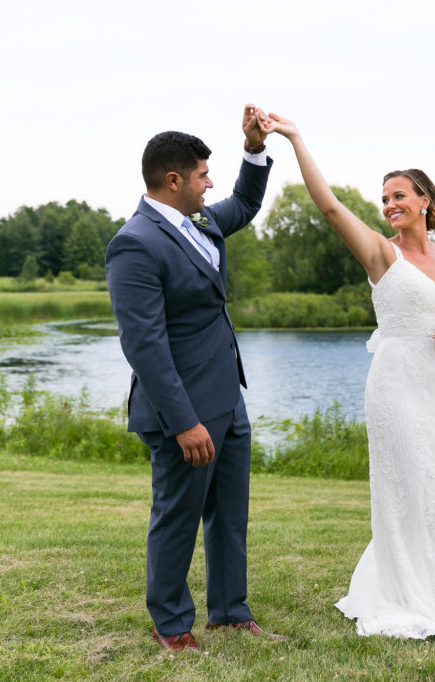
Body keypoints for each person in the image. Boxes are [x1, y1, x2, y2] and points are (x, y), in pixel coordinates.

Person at [261, 112, 435, 639]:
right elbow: (331, 207)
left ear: (425, 200)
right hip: (397, 381)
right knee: (414, 484)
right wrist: (293, 138)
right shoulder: (382, 254)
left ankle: (422, 575)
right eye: (384, 199)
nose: (389, 205)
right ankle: (409, 593)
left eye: (399, 195)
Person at [105, 105, 284, 651]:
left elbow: (248, 201)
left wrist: (254, 148)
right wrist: (183, 421)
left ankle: (230, 611)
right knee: (178, 518)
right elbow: (144, 345)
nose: (211, 183)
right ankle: (171, 624)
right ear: (174, 179)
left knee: (230, 515)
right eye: (204, 174)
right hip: (182, 410)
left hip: (229, 400)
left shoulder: (203, 222)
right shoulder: (135, 242)